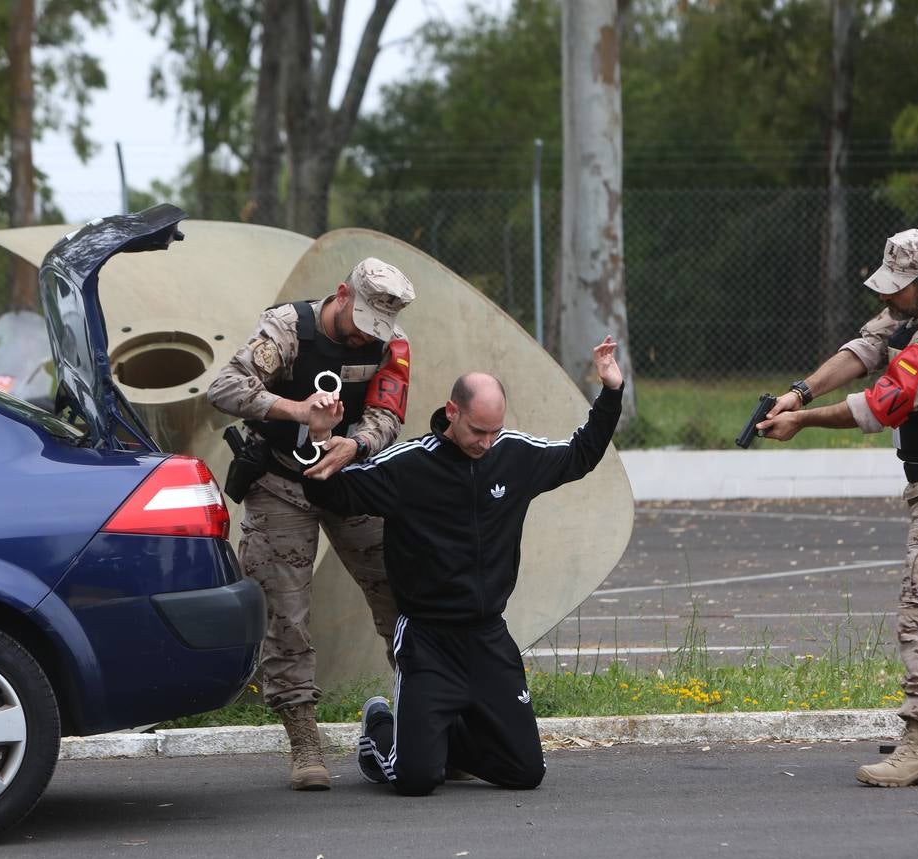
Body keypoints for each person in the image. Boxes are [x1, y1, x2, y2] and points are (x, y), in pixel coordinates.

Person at [301, 337, 624, 796]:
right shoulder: (408, 466)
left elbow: (580, 456)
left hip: (488, 636)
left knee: (525, 773)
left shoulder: (513, 454)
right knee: (416, 781)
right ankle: (380, 728)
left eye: (495, 431)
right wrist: (317, 440)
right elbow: (333, 493)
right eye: (477, 431)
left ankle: (438, 738)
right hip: (428, 640)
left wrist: (610, 392)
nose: (486, 443)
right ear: (452, 412)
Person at [757, 228, 918, 787]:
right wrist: (799, 393)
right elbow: (864, 350)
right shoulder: (914, 319)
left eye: (897, 289)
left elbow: (883, 404)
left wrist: (803, 421)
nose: (884, 299)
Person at [207, 257, 416, 791]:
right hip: (280, 483)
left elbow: (389, 412)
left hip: (351, 480)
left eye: (378, 327)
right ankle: (304, 742)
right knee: (286, 614)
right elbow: (225, 387)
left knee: (405, 593)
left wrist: (357, 443)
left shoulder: (392, 344)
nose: (364, 337)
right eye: (361, 321)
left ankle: (428, 719)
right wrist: (296, 411)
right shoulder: (287, 329)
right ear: (343, 295)